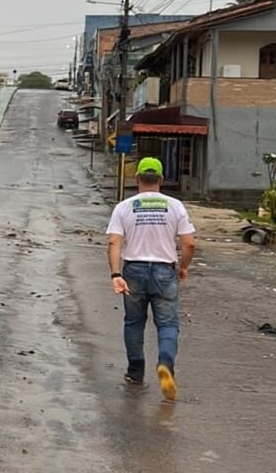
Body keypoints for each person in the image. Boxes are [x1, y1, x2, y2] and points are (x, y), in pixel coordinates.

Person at [106, 157, 196, 401]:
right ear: (161, 180)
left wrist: (115, 274)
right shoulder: (175, 206)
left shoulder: (124, 207)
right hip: (164, 271)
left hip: (133, 270)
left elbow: (115, 242)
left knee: (134, 322)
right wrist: (184, 267)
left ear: (136, 180)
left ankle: (135, 372)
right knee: (167, 325)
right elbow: (188, 243)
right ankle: (165, 363)